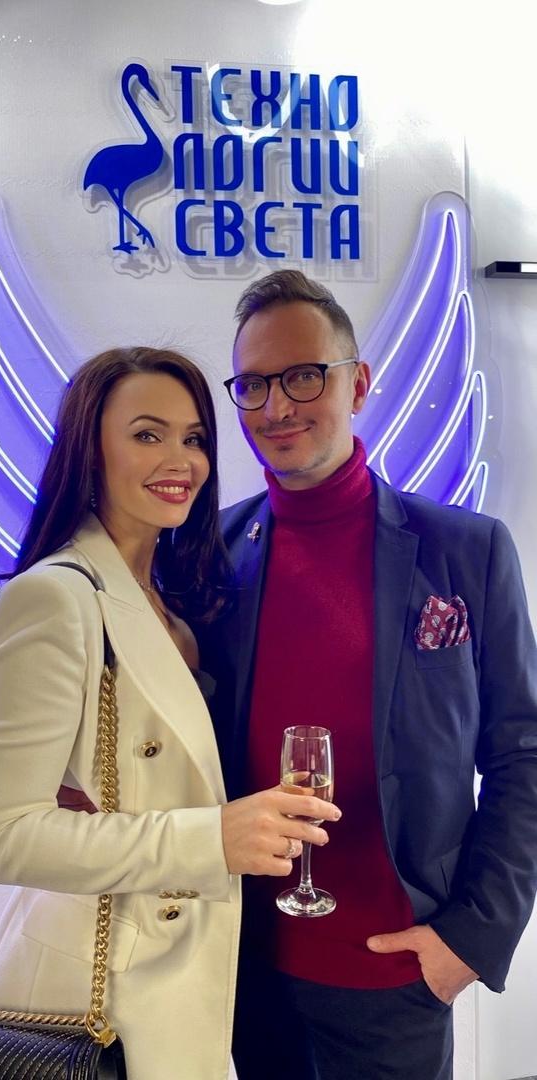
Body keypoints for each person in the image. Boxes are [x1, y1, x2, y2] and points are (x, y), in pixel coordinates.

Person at [0, 346, 339, 1080]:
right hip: (95, 998)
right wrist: (211, 838)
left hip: (187, 981)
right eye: (146, 434)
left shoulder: (172, 604)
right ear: (89, 450)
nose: (180, 460)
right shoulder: (52, 598)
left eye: (194, 437)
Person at [199, 272, 537, 1080]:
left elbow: (522, 755)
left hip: (396, 975)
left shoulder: (465, 550)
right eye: (252, 385)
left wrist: (470, 938)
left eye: (302, 376)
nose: (275, 407)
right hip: (242, 971)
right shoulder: (208, 553)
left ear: (357, 383)